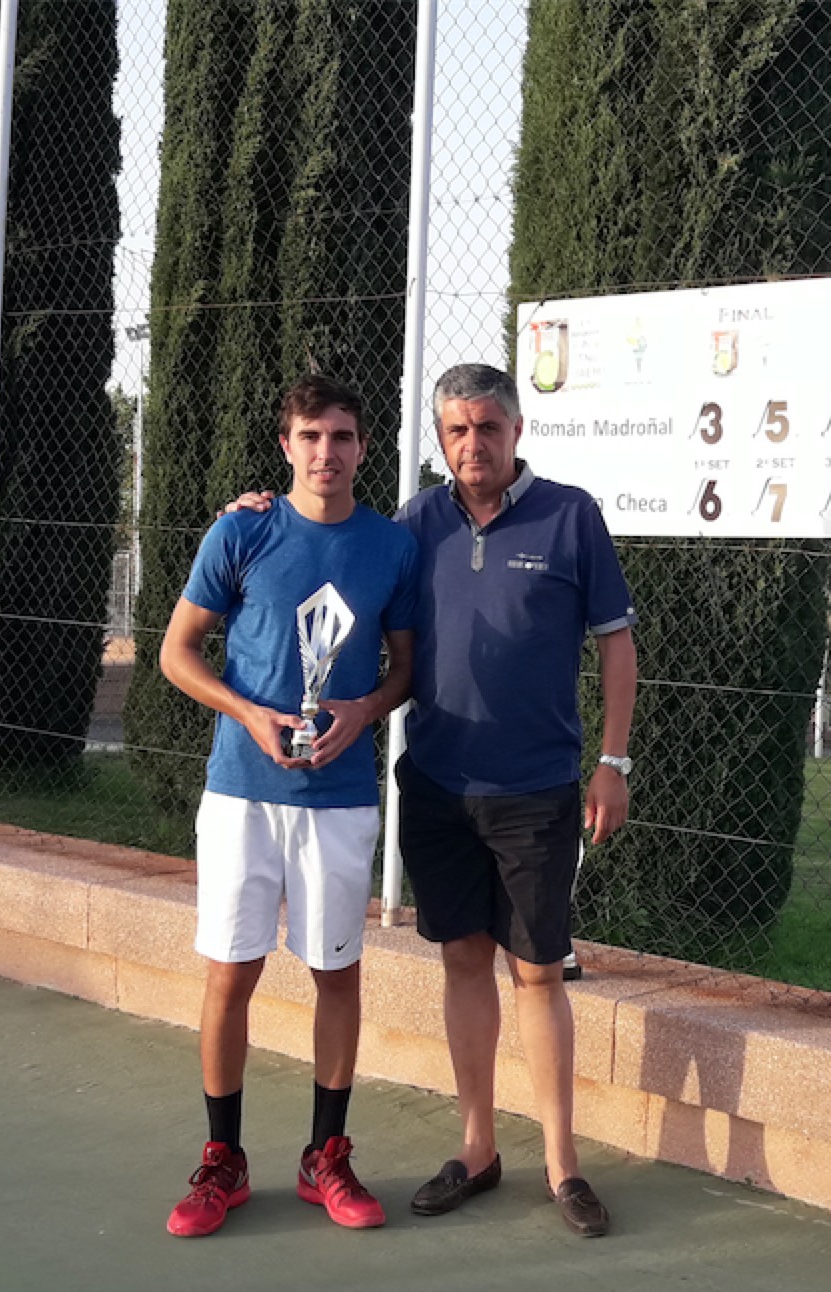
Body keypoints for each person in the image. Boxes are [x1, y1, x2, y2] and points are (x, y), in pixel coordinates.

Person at [227, 361, 638, 1237]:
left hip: (536, 790)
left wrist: (613, 760)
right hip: (438, 788)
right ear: (440, 438)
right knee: (462, 962)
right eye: (456, 429)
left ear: (516, 431)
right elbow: (337, 543)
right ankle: (477, 1149)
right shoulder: (415, 523)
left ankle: (563, 1165)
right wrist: (252, 512)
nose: (472, 442)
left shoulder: (572, 516)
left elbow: (616, 645)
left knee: (538, 973)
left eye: (487, 426)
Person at [156, 374, 420, 1238]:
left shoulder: (391, 548)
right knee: (231, 973)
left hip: (339, 800)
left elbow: (405, 670)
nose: (325, 452)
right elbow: (176, 654)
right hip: (242, 792)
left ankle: (325, 1157)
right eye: (309, 436)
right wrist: (247, 712)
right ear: (286, 446)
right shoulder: (242, 530)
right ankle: (222, 1161)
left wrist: (364, 711)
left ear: (363, 448)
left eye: (341, 436)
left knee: (335, 974)